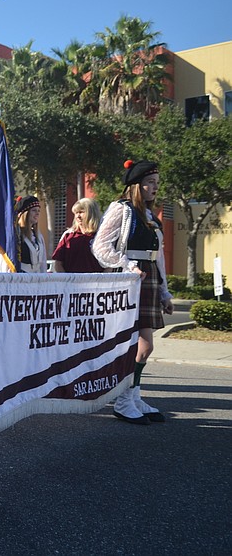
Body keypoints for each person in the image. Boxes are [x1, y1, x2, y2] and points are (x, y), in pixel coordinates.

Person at [92, 159, 173, 425]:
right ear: (136, 185)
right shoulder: (122, 209)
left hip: (148, 281)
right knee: (138, 346)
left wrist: (164, 293)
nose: (154, 188)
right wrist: (126, 265)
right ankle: (124, 400)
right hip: (128, 281)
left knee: (144, 346)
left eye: (157, 184)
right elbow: (100, 247)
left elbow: (157, 258)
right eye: (150, 183)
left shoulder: (150, 216)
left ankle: (133, 395)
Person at [52, 197, 103, 274]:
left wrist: (101, 282)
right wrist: (67, 281)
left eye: (81, 212)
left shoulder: (102, 235)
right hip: (72, 284)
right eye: (76, 213)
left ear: (92, 213)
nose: (78, 216)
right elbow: (58, 263)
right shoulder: (68, 235)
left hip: (96, 283)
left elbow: (110, 265)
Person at [0, 195, 47, 273]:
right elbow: (6, 261)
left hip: (37, 279)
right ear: (25, 213)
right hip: (21, 277)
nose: (37, 213)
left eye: (38, 211)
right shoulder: (15, 235)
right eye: (34, 210)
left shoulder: (38, 236)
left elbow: (43, 262)